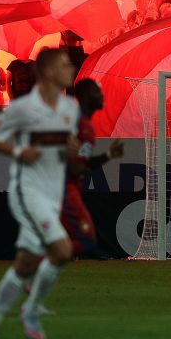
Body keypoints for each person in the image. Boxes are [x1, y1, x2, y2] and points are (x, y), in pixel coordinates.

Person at [0, 48, 80, 339]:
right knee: (61, 249)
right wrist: (20, 152)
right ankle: (30, 311)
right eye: (64, 66)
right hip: (27, 191)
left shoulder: (67, 109)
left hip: (50, 190)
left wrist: (69, 150)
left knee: (25, 263)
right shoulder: (21, 108)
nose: (70, 70)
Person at [62, 79, 125, 257]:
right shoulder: (77, 123)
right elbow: (77, 166)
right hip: (63, 189)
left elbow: (82, 164)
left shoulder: (85, 125)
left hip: (66, 186)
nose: (101, 95)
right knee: (86, 239)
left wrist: (109, 155)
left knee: (72, 238)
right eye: (97, 92)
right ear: (85, 96)